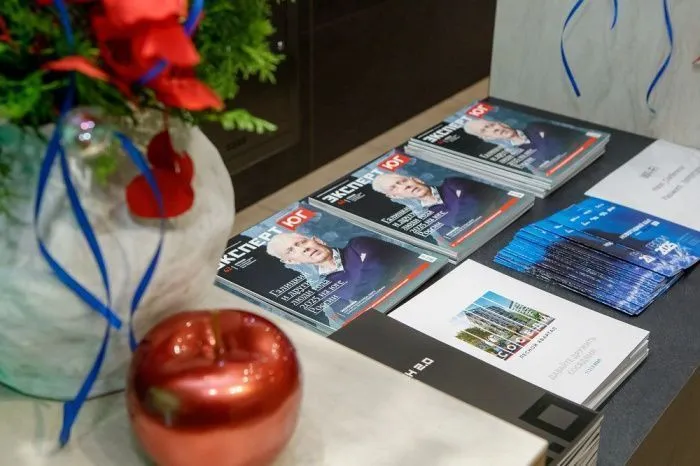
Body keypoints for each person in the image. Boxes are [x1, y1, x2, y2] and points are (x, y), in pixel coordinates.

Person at [266, 232, 420, 302]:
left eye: (302, 242)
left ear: (317, 240)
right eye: (291, 251)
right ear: (291, 262)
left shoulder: (359, 244)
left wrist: (357, 294)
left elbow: (378, 270)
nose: (303, 249)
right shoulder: (325, 291)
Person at [371, 173, 504, 229]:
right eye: (394, 188)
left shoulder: (452, 183)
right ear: (396, 197)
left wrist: (457, 223)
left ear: (416, 179)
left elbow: (476, 204)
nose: (405, 186)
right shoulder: (429, 218)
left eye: (403, 181)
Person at [462, 118, 589, 167]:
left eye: (491, 125)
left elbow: (576, 137)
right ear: (487, 138)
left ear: (500, 123)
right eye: (485, 130)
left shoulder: (535, 126)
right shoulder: (515, 158)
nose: (494, 129)